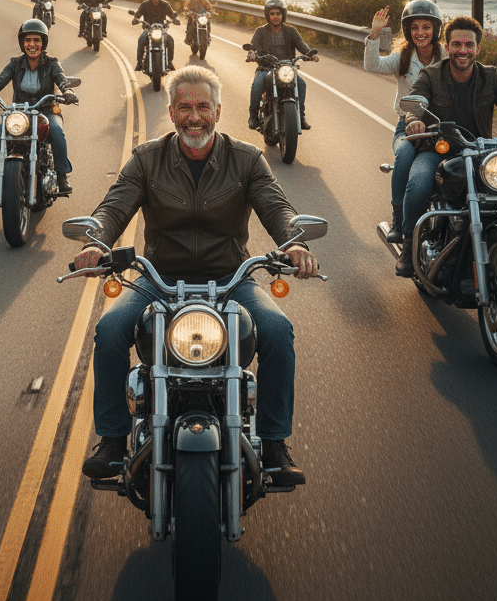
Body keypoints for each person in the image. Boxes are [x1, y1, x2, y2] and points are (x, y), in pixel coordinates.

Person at [73, 67, 321, 485]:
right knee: (110, 328)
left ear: (218, 111)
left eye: (202, 106)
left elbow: (276, 206)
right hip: (159, 277)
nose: (194, 116)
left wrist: (295, 242)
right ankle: (113, 439)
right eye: (184, 107)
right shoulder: (147, 158)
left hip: (230, 277)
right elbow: (114, 206)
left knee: (278, 330)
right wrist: (96, 240)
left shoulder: (247, 159)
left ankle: (275, 444)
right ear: (171, 113)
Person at [396, 16, 497, 277]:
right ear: (448, 46)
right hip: (435, 148)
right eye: (457, 44)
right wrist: (415, 120)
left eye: (469, 45)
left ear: (478, 48)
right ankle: (409, 244)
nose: (463, 50)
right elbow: (415, 103)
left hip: (479, 153)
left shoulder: (491, 76)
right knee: (418, 183)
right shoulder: (431, 74)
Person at [364, 0, 447, 243]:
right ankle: (398, 219)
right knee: (404, 156)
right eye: (414, 28)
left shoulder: (446, 55)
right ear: (408, 31)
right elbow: (372, 65)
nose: (420, 33)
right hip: (406, 126)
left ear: (436, 29)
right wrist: (376, 33)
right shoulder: (402, 56)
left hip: (440, 127)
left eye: (426, 27)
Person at [0, 19, 78, 196]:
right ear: (22, 43)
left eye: (36, 40)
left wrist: (67, 91)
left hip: (45, 111)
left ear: (43, 43)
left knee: (56, 131)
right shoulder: (15, 63)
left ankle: (62, 176)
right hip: (20, 113)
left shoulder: (51, 63)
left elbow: (61, 79)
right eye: (27, 40)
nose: (32, 45)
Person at [245, 0, 319, 131]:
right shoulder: (260, 31)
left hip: (286, 69)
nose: (275, 17)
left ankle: (300, 116)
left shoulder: (291, 31)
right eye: (272, 14)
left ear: (283, 15)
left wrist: (310, 54)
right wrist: (251, 54)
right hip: (265, 68)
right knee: (257, 84)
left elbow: (302, 46)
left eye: (278, 13)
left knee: (301, 84)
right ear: (268, 15)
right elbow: (253, 48)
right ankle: (253, 116)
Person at [132, 0, 178, 72]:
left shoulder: (165, 4)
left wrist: (175, 19)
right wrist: (135, 19)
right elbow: (137, 15)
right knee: (141, 40)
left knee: (171, 40)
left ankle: (169, 62)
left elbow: (172, 15)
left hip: (162, 30)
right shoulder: (144, 4)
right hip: (148, 30)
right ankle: (139, 63)